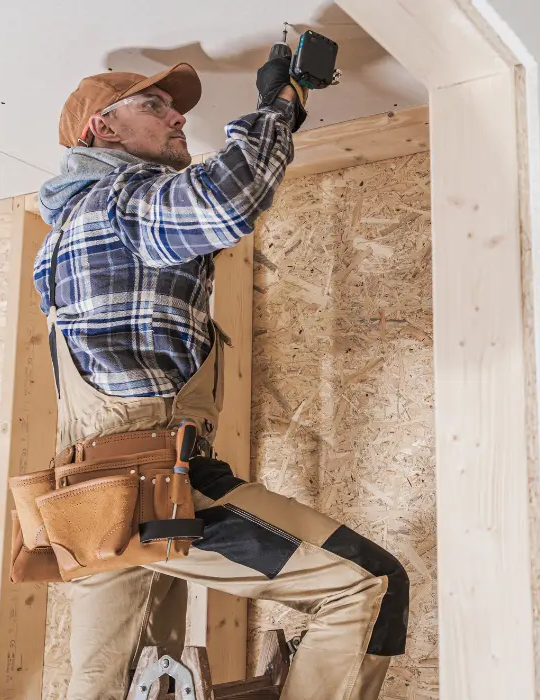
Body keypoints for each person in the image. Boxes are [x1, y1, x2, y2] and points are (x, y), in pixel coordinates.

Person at [31, 58, 408, 700]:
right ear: (103, 129)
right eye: (154, 107)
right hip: (153, 482)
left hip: (92, 501)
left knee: (123, 688)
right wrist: (281, 102)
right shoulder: (119, 202)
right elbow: (225, 198)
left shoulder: (70, 231)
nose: (179, 117)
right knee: (365, 584)